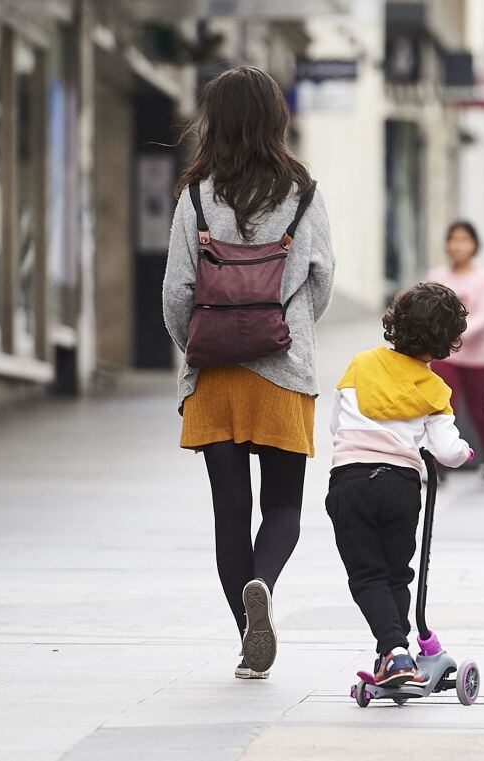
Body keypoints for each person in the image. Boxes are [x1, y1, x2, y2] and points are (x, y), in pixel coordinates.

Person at [162, 66, 335, 680]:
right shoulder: (302, 192)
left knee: (229, 512)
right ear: (275, 117)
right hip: (281, 371)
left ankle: (248, 641)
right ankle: (263, 581)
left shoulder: (196, 193)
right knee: (283, 504)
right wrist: (282, 330)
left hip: (215, 378)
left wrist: (206, 342)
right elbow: (321, 281)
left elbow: (176, 294)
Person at [327, 283, 473, 686]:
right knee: (397, 574)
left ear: (396, 323)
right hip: (401, 487)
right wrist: (465, 453)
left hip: (352, 481)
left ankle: (393, 652)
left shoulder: (360, 365)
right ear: (447, 340)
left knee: (366, 575)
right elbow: (446, 450)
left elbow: (336, 423)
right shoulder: (435, 390)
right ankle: (396, 652)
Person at [426, 221, 484, 481]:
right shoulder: (438, 275)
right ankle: (439, 464)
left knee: (480, 410)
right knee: (445, 407)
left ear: (475, 245)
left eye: (464, 239)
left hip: (479, 357)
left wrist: (454, 334)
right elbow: (425, 308)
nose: (458, 245)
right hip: (446, 356)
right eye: (453, 239)